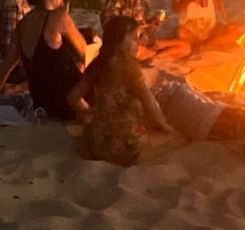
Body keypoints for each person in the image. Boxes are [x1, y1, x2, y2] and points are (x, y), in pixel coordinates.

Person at [67, 16, 171, 166]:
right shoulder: (130, 67)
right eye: (135, 39)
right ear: (120, 40)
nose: (138, 44)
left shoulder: (98, 64)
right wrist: (164, 125)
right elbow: (149, 102)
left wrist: (89, 111)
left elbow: (73, 97)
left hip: (98, 143)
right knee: (162, 135)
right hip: (126, 144)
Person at [0, 0, 86, 119]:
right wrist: (65, 15)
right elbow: (83, 49)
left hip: (43, 104)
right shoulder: (58, 17)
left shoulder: (21, 26)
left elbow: (4, 71)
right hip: (69, 102)